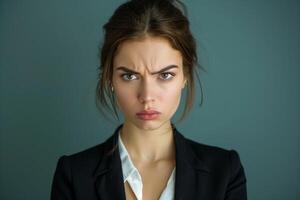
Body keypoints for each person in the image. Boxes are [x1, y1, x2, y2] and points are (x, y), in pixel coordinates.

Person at [50, 0, 247, 199]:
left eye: (165, 75)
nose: (147, 96)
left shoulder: (225, 172)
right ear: (110, 78)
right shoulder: (74, 175)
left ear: (185, 76)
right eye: (129, 76)